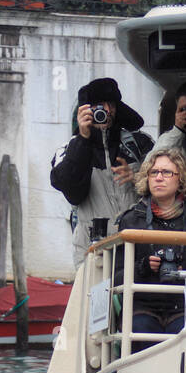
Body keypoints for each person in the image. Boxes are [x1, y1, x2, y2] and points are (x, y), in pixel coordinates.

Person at [50, 77, 154, 268]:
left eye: (110, 104)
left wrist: (138, 177)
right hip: (93, 249)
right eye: (99, 105)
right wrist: (82, 138)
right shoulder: (69, 149)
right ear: (85, 110)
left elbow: (170, 181)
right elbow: (67, 187)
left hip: (137, 244)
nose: (106, 110)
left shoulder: (139, 144)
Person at [113, 147, 186, 345]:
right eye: (154, 172)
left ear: (181, 178)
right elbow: (116, 276)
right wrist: (143, 267)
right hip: (144, 305)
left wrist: (184, 270)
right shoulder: (131, 220)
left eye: (167, 172)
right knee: (140, 329)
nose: (159, 178)